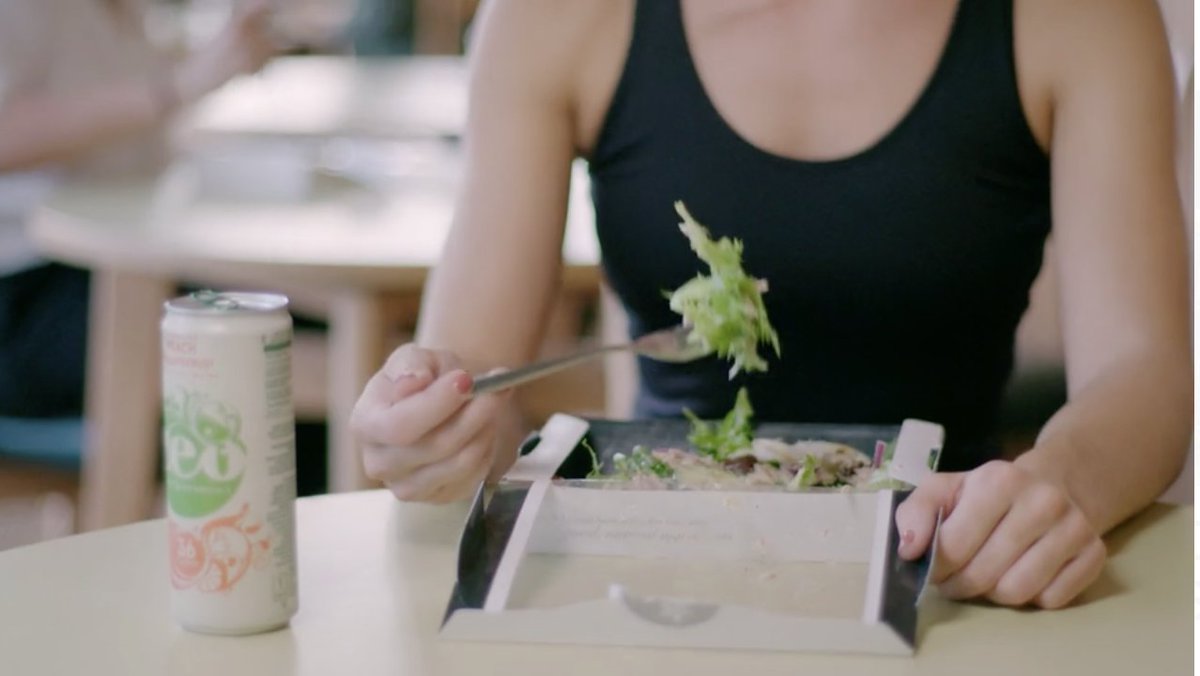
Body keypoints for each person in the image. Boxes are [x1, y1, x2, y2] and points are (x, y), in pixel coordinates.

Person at [351, 0, 1192, 610]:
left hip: (944, 573)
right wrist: (438, 424)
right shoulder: (554, 16)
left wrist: (1058, 483)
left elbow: (1145, 372)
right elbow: (480, 378)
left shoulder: (1086, 17)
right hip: (645, 579)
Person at [0, 0, 277, 418]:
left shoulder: (127, 12)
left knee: (279, 325)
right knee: (255, 354)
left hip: (113, 266)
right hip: (28, 294)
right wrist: (174, 87)